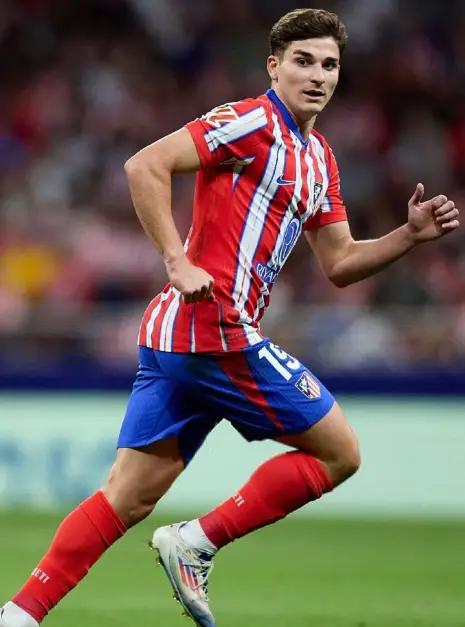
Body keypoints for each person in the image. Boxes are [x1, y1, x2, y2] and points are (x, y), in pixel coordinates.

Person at [1, 7, 460, 627]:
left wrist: (407, 236)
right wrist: (175, 260)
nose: (317, 75)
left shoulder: (319, 158)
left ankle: (19, 615)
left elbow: (340, 262)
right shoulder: (249, 121)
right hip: (215, 329)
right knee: (340, 453)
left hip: (179, 338)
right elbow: (145, 164)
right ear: (274, 66)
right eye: (303, 61)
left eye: (329, 65)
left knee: (126, 497)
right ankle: (196, 541)